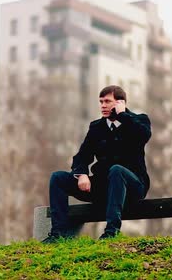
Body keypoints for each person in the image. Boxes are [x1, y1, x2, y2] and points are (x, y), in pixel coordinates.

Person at [43, 85, 151, 242]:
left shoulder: (139, 120)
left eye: (107, 101)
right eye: (101, 102)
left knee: (117, 170)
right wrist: (82, 174)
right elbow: (82, 156)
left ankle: (111, 232)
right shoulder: (97, 127)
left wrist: (122, 115)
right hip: (103, 189)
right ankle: (58, 234)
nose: (103, 106)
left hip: (133, 188)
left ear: (121, 103)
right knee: (58, 178)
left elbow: (143, 136)